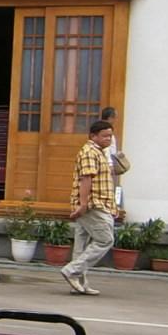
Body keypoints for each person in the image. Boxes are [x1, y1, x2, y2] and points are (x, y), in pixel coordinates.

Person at [61, 118, 117, 296]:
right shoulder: (89, 152)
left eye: (110, 136)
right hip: (94, 205)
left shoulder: (100, 152)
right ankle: (72, 271)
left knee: (82, 243)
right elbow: (86, 178)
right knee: (105, 240)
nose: (108, 139)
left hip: (98, 203)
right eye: (105, 136)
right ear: (93, 136)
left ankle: (79, 283)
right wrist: (84, 204)